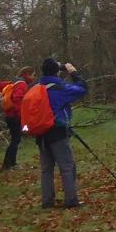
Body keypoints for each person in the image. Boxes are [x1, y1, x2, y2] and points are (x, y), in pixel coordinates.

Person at [35, 58, 87, 208]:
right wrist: (73, 72)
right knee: (67, 166)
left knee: (46, 169)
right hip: (57, 131)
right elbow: (82, 89)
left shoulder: (37, 87)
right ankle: (71, 200)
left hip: (41, 133)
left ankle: (47, 201)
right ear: (57, 71)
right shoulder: (59, 88)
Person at [0, 66, 34, 169]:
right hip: (15, 116)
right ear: (27, 74)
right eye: (32, 75)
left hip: (10, 115)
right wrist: (21, 114)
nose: (33, 77)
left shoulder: (15, 83)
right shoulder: (22, 84)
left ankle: (10, 163)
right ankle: (9, 163)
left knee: (15, 139)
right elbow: (17, 99)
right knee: (15, 140)